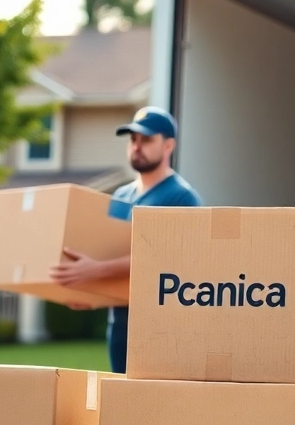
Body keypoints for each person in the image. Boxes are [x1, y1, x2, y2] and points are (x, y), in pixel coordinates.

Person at [49, 106, 202, 374]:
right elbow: (111, 253)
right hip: (119, 325)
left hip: (162, 330)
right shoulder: (121, 195)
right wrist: (91, 295)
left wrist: (95, 271)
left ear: (169, 145)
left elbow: (171, 262)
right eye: (133, 139)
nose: (137, 146)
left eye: (146, 139)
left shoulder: (182, 198)